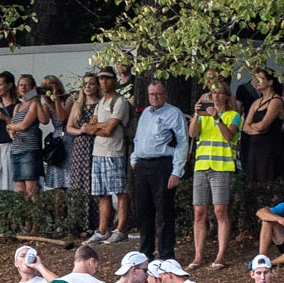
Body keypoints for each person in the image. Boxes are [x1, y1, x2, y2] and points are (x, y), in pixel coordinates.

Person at [128, 79, 189, 263]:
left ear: (165, 95)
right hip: (142, 166)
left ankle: (166, 255)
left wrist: (177, 171)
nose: (154, 97)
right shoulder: (146, 113)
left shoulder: (174, 114)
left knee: (164, 212)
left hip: (162, 166)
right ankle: (146, 253)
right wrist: (134, 159)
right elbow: (138, 138)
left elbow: (182, 143)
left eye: (158, 94)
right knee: (143, 212)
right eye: (151, 94)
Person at [189, 82, 240, 269]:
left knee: (220, 211)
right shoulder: (204, 117)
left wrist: (217, 118)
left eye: (220, 93)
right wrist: (196, 114)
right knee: (199, 213)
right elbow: (192, 133)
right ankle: (198, 256)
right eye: (213, 93)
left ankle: (220, 256)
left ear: (227, 96)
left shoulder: (233, 115)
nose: (216, 96)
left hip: (222, 166)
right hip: (202, 165)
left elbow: (228, 136)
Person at [81, 73, 131, 243]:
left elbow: (110, 129)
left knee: (120, 192)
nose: (104, 82)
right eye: (101, 79)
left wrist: (95, 127)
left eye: (107, 78)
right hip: (98, 152)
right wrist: (99, 126)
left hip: (114, 152)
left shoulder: (120, 101)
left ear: (114, 81)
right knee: (102, 193)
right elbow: (91, 126)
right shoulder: (100, 102)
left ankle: (120, 229)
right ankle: (103, 230)